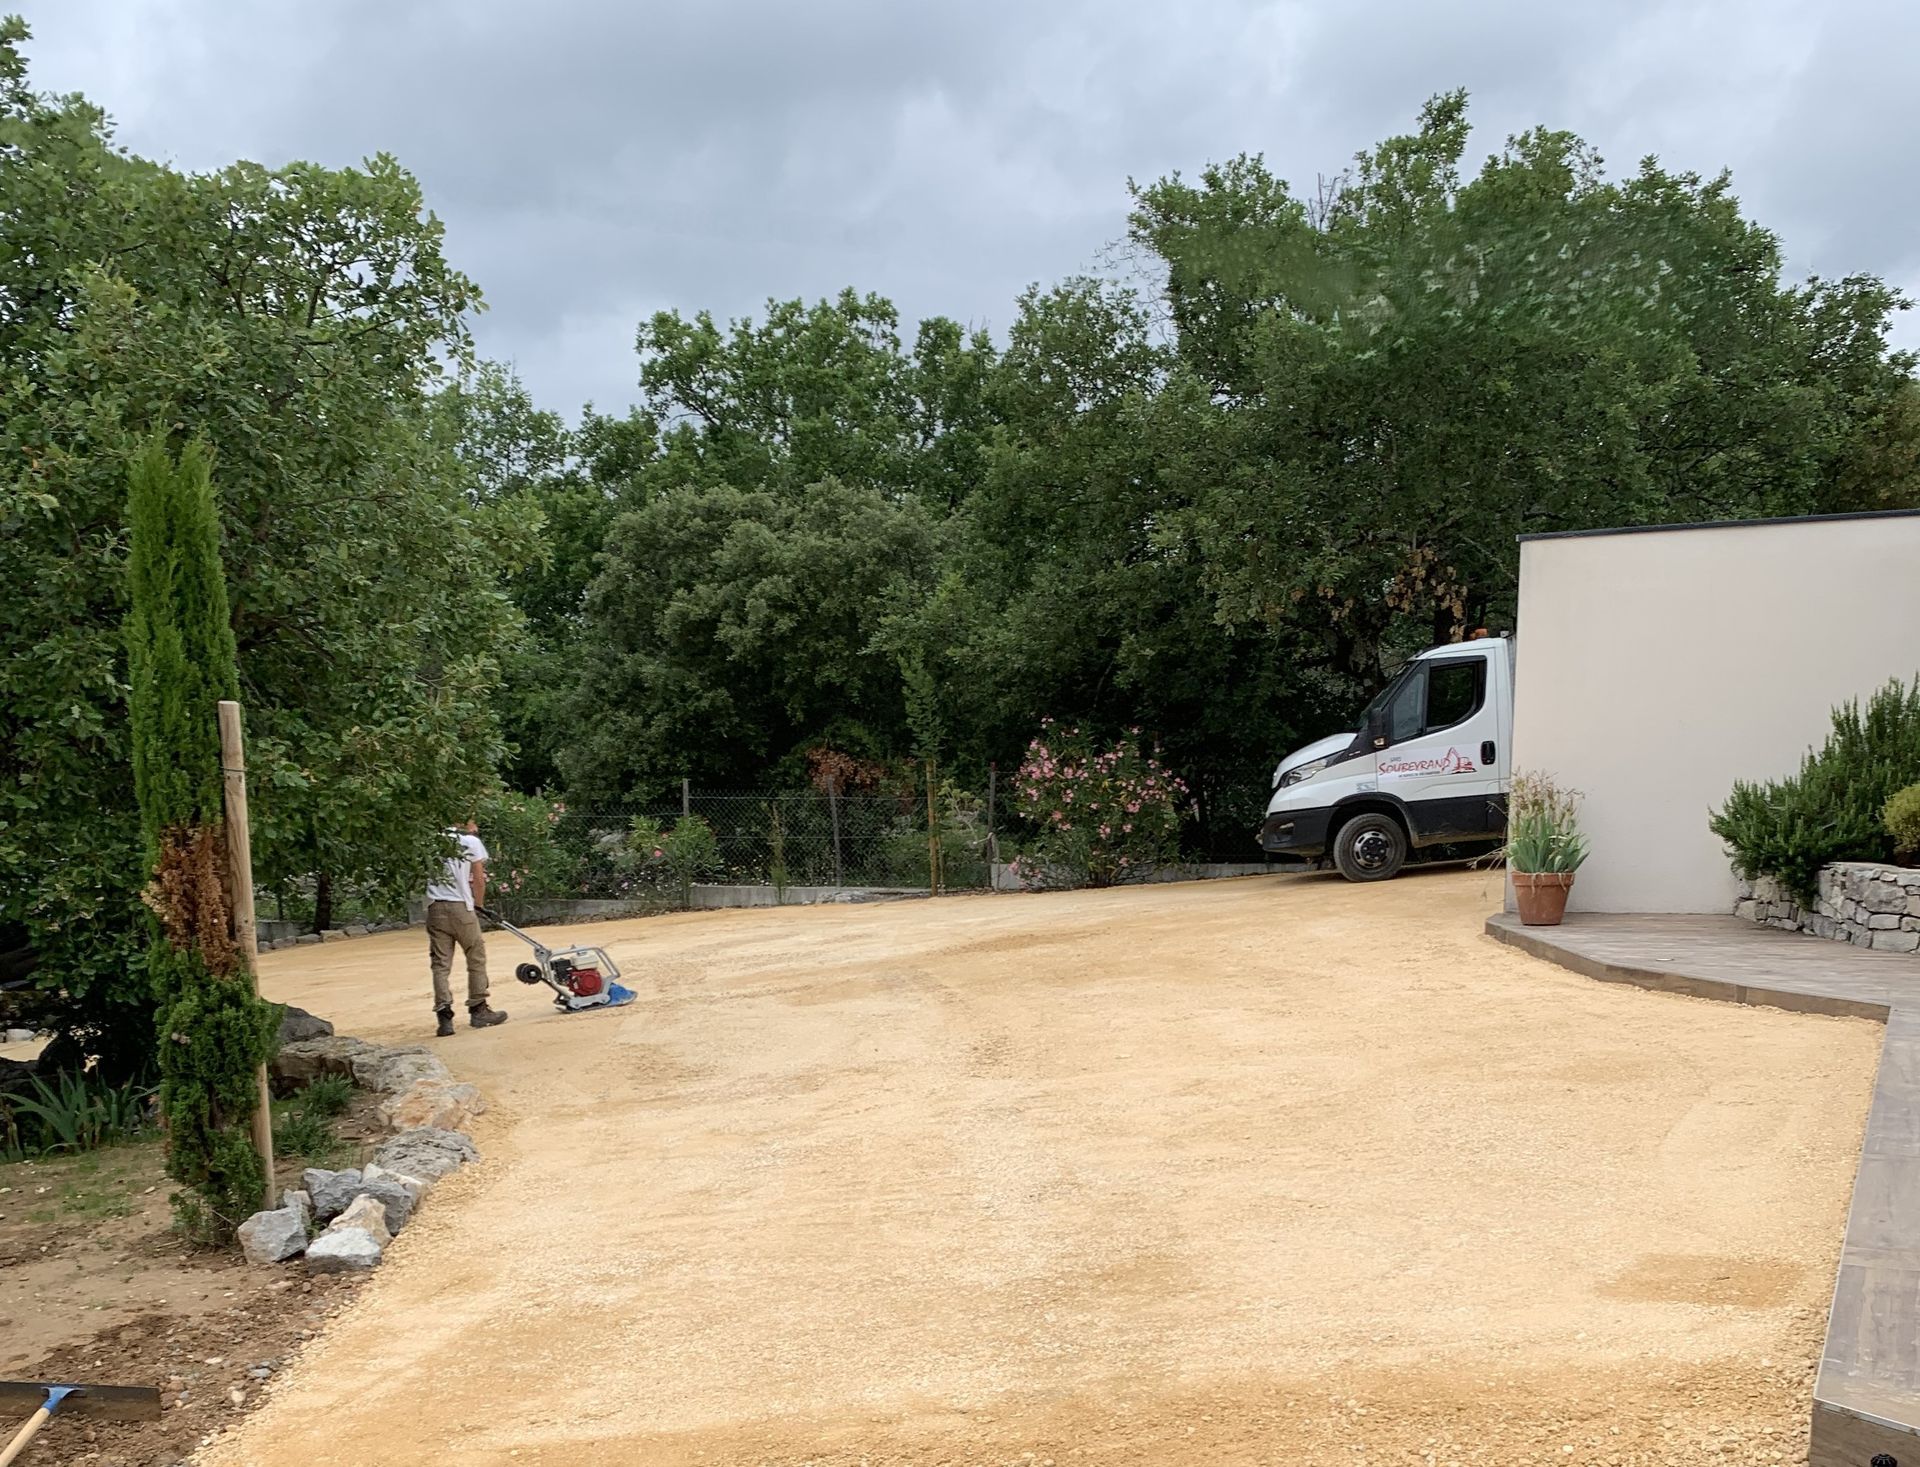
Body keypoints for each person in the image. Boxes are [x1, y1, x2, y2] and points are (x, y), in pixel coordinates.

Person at [425, 819, 508, 1037]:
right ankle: (478, 1007)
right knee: (476, 956)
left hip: (435, 908)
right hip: (460, 906)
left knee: (441, 963)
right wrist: (478, 905)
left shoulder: (430, 842)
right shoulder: (469, 841)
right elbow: (478, 879)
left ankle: (444, 1014)